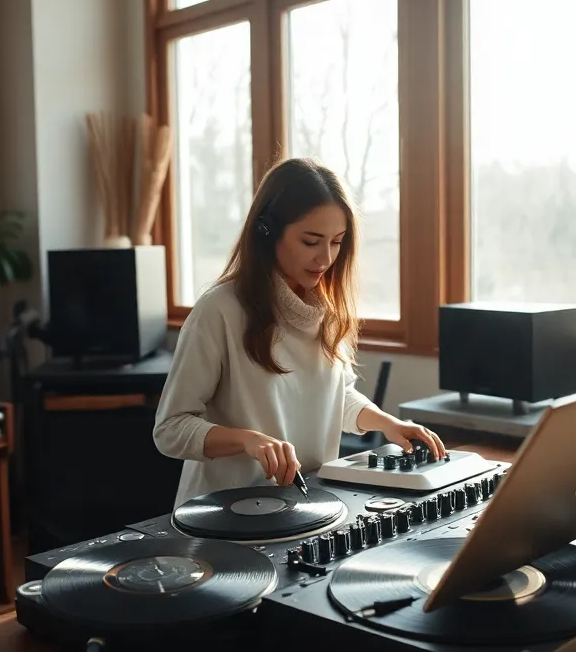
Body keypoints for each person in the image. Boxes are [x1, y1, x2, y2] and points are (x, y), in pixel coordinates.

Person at [153, 157, 447, 509]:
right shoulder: (220, 309)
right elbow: (170, 429)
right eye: (311, 241)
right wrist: (248, 441)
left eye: (337, 242)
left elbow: (335, 397)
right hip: (223, 516)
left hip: (308, 507)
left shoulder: (328, 310)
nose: (325, 258)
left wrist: (387, 423)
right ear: (268, 232)